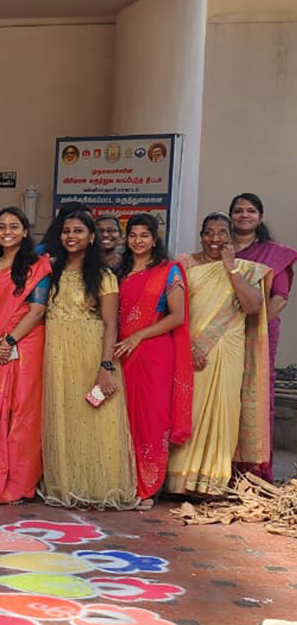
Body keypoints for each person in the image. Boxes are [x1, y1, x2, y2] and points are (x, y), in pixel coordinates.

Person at [39, 209, 138, 509]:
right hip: (56, 352)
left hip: (90, 351)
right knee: (63, 415)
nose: (71, 236)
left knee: (93, 417)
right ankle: (66, 485)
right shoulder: (51, 270)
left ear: (92, 237)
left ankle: (97, 487)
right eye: (67, 231)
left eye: (78, 231)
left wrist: (105, 366)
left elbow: (111, 324)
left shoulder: (104, 275)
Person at [166, 213, 270, 495]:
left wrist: (231, 269)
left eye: (222, 233)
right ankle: (179, 481)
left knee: (224, 411)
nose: (215, 239)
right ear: (201, 235)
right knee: (191, 410)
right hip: (190, 350)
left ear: (231, 237)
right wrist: (188, 347)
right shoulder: (184, 265)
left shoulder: (247, 269)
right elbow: (169, 309)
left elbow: (252, 307)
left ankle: (211, 482)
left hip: (227, 351)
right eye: (209, 233)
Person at [0, 207, 52, 503]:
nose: (7, 231)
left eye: (13, 226)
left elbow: (37, 309)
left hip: (25, 347)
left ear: (25, 231)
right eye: (1, 226)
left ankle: (19, 484)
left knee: (21, 413)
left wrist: (9, 340)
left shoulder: (38, 266)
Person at [113, 213, 191, 505]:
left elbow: (178, 316)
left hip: (154, 353)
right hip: (122, 352)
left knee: (151, 418)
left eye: (144, 235)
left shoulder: (169, 271)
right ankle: (124, 481)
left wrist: (138, 337)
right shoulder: (120, 272)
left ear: (155, 239)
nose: (138, 241)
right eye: (133, 235)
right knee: (124, 417)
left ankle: (148, 487)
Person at [230, 193, 297, 480]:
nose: (244, 215)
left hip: (258, 333)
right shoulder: (221, 249)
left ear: (260, 216)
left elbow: (280, 298)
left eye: (251, 211)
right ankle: (221, 465)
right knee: (225, 395)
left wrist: (253, 326)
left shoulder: (274, 253)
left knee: (255, 398)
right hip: (224, 335)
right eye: (238, 211)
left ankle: (253, 471)